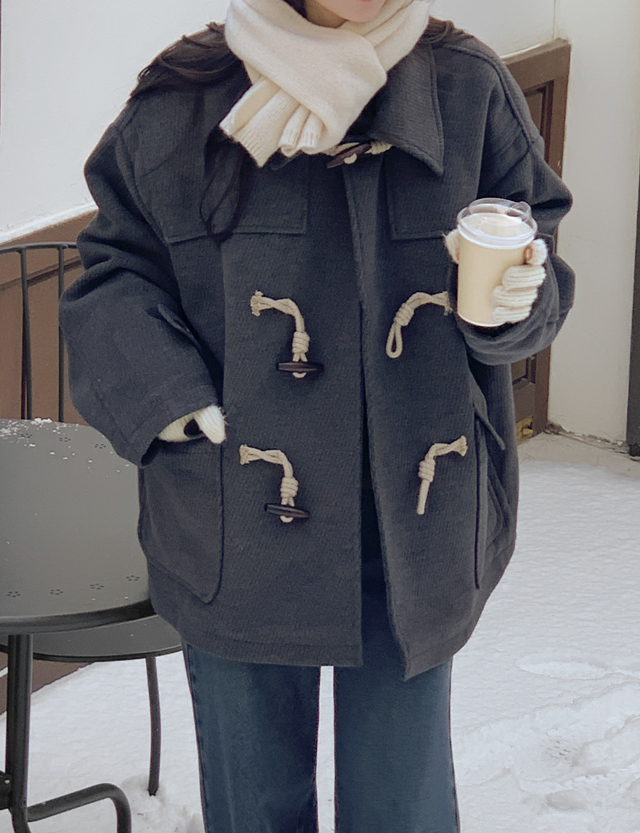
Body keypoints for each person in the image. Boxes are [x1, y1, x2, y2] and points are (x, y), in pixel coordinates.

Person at [59, 0, 574, 829]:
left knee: (401, 808)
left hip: (413, 531)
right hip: (238, 523)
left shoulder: (467, 87)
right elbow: (115, 267)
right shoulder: (184, 97)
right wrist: (171, 401)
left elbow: (534, 244)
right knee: (255, 807)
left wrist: (518, 301)